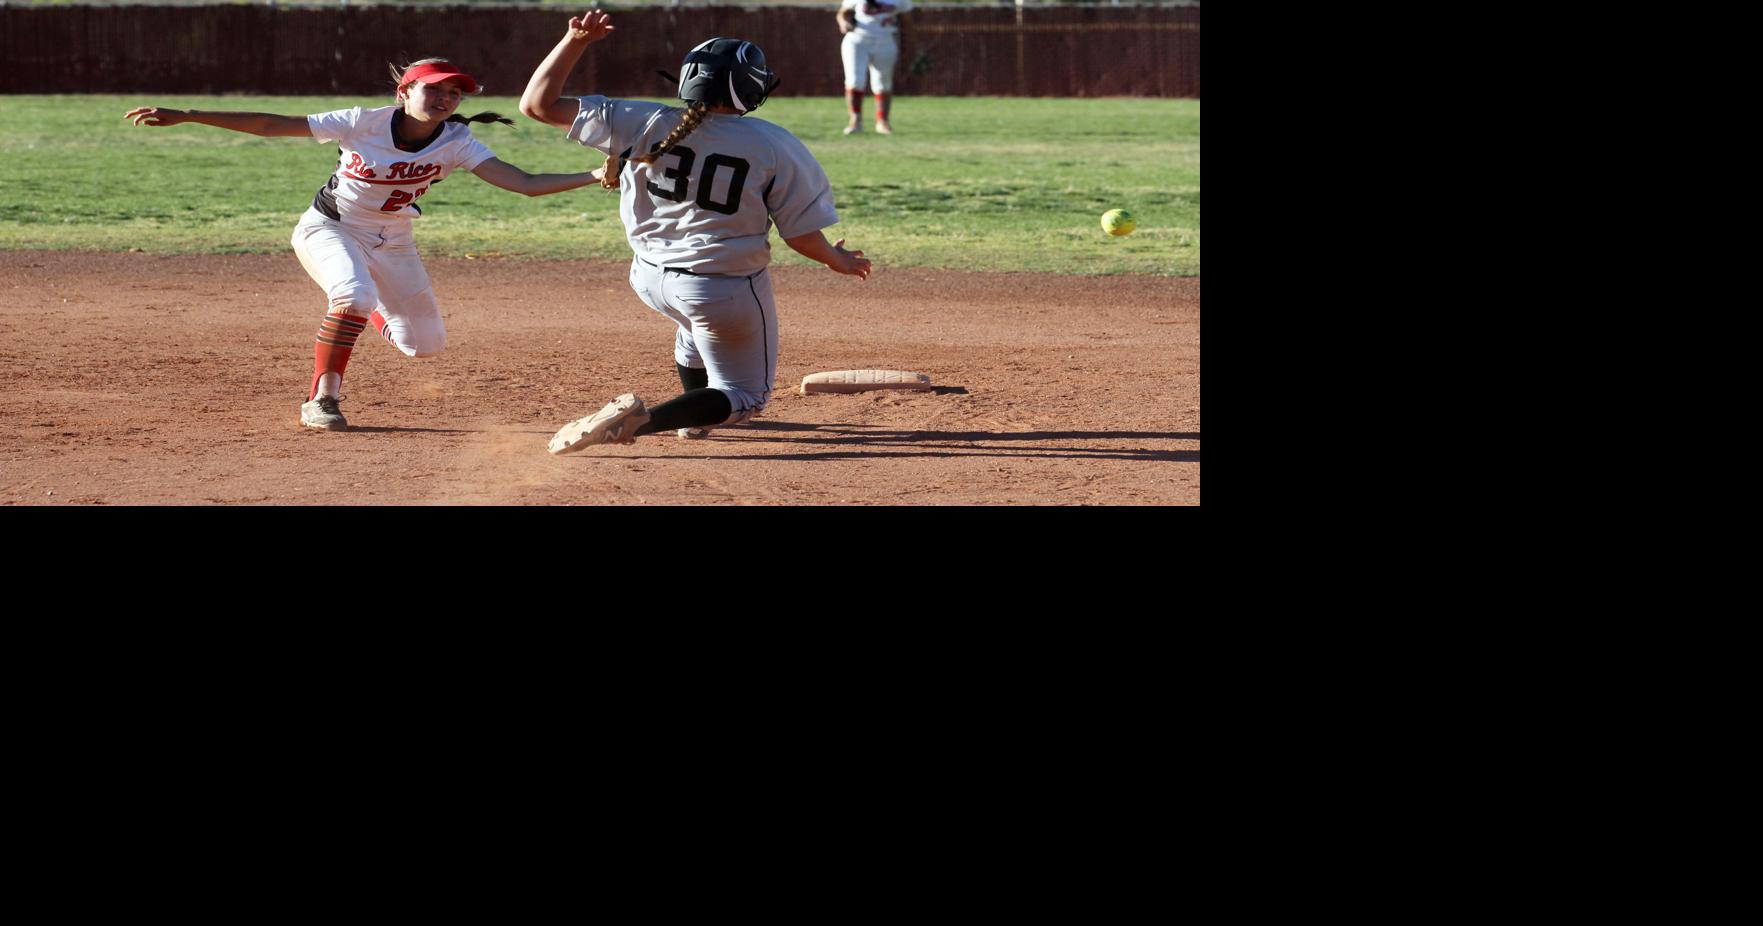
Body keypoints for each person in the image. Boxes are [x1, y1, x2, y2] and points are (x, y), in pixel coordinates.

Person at [125, 59, 607, 432]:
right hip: (329, 228)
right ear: (404, 92)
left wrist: (593, 175)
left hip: (394, 240)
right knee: (352, 296)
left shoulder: (458, 140)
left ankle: (361, 307)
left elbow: (522, 182)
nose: (444, 96)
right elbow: (273, 124)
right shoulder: (362, 121)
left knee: (423, 346)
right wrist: (189, 116)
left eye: (453, 90)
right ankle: (322, 399)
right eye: (432, 87)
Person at [519, 10, 872, 453]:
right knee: (745, 397)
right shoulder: (775, 144)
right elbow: (800, 236)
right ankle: (638, 424)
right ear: (752, 87)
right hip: (722, 288)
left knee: (693, 332)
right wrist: (838, 260)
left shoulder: (639, 119)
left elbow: (536, 105)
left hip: (649, 278)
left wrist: (575, 42)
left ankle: (692, 419)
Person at [836, 0, 912, 135]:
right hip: (858, 39)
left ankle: (882, 122)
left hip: (886, 39)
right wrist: (844, 23)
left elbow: (906, 21)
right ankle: (855, 120)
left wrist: (910, 46)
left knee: (883, 83)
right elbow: (842, 13)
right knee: (855, 81)